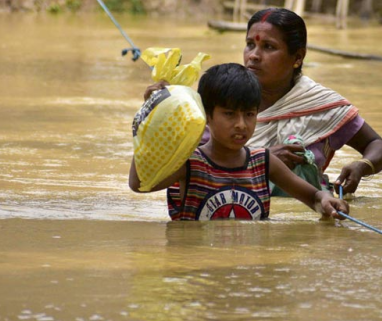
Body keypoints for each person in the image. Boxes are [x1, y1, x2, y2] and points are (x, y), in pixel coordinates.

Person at [144, 7, 382, 196]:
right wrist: (160, 108)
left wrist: (363, 166)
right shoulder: (213, 101)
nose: (253, 55)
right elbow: (174, 166)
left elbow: (377, 145)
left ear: (297, 57)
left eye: (268, 47)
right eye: (250, 44)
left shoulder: (323, 105)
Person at [130, 63, 349, 221]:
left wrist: (326, 201)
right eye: (229, 114)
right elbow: (139, 184)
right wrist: (149, 122)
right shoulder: (190, 163)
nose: (241, 125)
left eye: (249, 114)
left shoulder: (264, 162)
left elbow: (313, 197)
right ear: (207, 116)